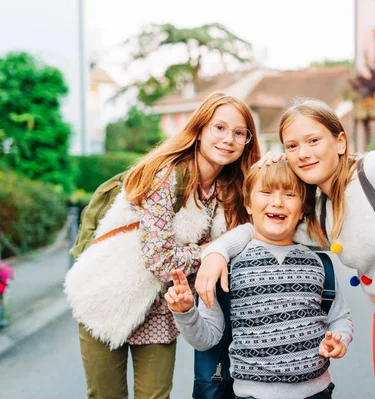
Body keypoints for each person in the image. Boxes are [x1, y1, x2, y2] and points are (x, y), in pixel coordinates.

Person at [195, 99, 375, 399]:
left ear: (340, 142)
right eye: (293, 146)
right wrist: (217, 252)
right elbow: (262, 228)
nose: (304, 153)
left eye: (313, 140)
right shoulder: (321, 210)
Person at [69, 92, 261, 399]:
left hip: (161, 309)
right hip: (109, 295)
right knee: (105, 396)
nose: (229, 139)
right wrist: (213, 251)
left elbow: (262, 218)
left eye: (240, 133)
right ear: (199, 130)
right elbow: (160, 259)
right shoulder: (166, 176)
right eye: (220, 128)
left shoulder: (230, 188)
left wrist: (279, 162)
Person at [165, 161, 353, 399]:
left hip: (318, 392)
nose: (277, 202)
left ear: (303, 207)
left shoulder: (319, 264)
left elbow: (340, 317)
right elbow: (207, 339)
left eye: (289, 194)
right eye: (266, 192)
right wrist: (185, 312)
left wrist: (339, 339)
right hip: (252, 395)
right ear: (248, 204)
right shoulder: (228, 265)